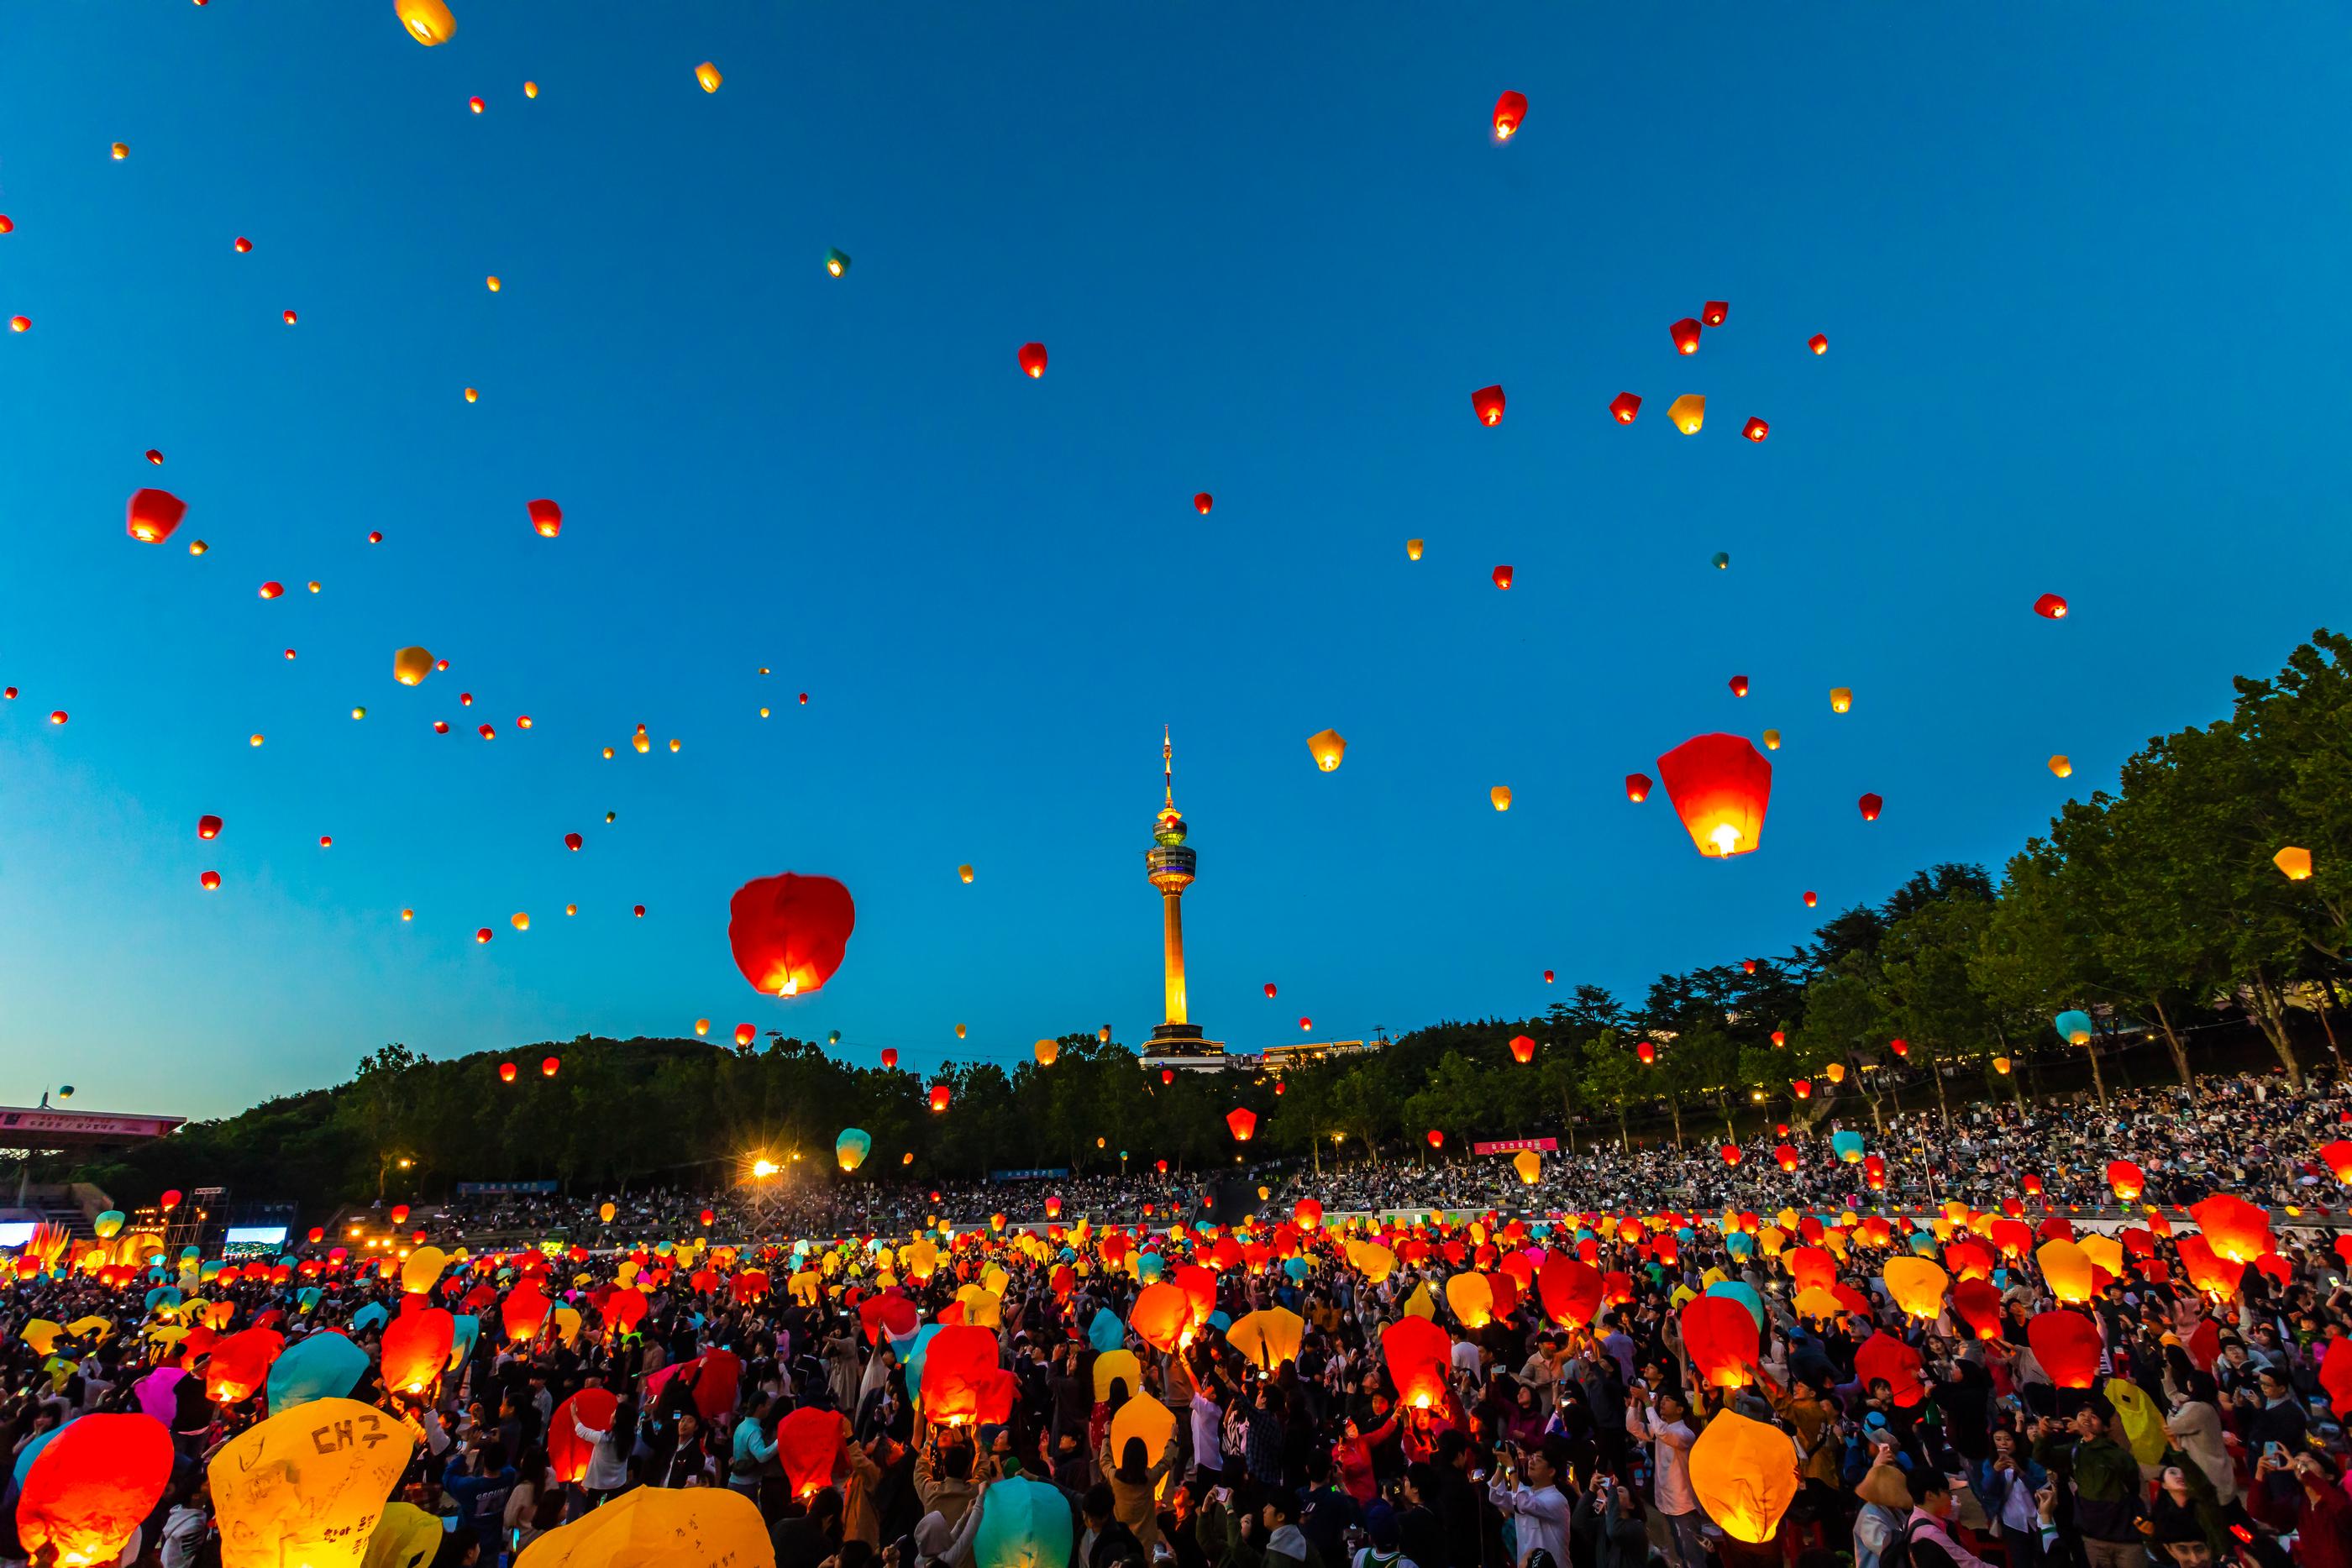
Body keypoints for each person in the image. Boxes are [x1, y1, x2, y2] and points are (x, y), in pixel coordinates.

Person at [2031, 1403, 2143, 1568]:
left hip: (2124, 1536)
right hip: (2092, 1535)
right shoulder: (2075, 1450)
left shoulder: (2116, 1453)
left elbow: (2132, 1484)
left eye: (2093, 1417)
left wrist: (2087, 1435)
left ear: (2105, 1427)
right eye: (2082, 1415)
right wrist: (2043, 1435)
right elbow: (2043, 1457)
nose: (2087, 1419)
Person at [1487, 1439, 1572, 1568]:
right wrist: (1501, 1465)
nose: (1531, 1461)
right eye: (1531, 1457)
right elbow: (1496, 1497)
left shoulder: (1558, 1500)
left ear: (1551, 1471)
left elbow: (1525, 1504)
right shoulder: (1525, 1493)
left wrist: (1511, 1468)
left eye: (1538, 1459)